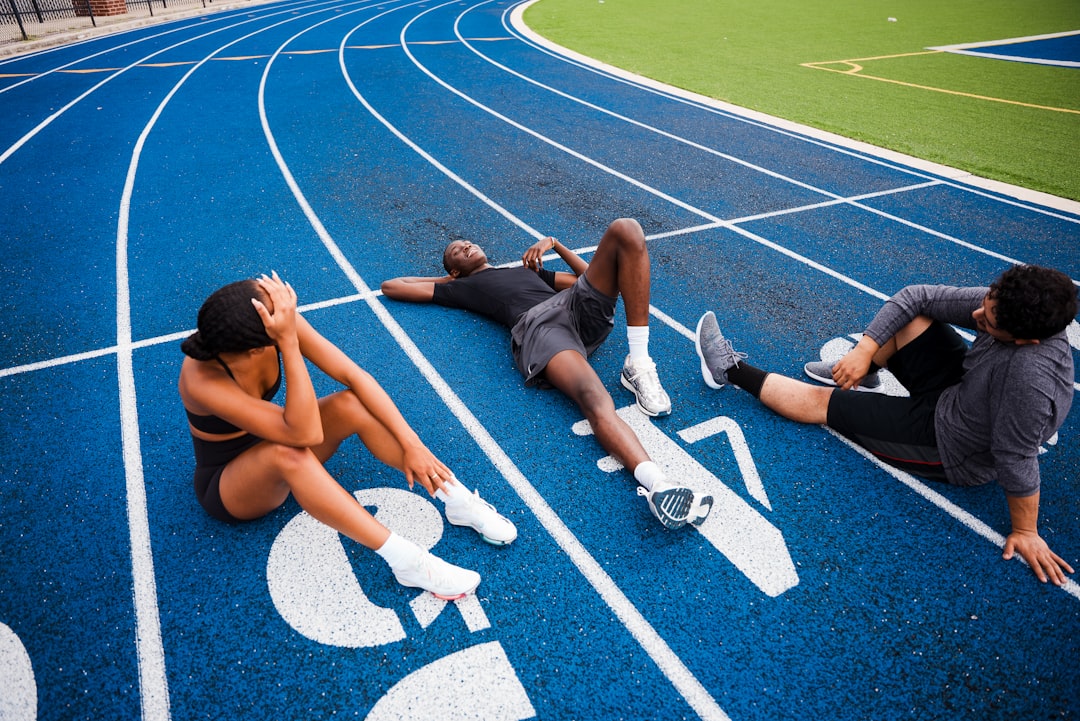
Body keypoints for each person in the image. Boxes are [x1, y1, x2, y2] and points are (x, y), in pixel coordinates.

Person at [694, 264, 1077, 585]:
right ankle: (862, 370)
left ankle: (728, 370)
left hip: (952, 445)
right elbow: (916, 296)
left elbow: (1015, 455)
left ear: (1026, 341)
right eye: (984, 306)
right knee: (914, 318)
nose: (978, 316)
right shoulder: (1009, 305)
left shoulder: (1030, 381)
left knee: (823, 403)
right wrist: (863, 351)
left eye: (988, 322)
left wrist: (1026, 531)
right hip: (963, 392)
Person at [178, 272, 517, 601]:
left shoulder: (271, 324)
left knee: (350, 404)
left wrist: (413, 445)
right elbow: (304, 433)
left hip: (278, 437)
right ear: (257, 347)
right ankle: (408, 562)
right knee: (287, 454)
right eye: (279, 312)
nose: (286, 310)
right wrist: (289, 342)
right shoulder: (202, 380)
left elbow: (355, 376)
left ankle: (453, 497)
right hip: (230, 484)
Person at [380, 218, 712, 530]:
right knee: (595, 399)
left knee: (625, 230)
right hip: (542, 327)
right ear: (455, 269)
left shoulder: (526, 271)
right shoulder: (461, 287)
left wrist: (555, 244)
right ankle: (658, 485)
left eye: (466, 241)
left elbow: (594, 278)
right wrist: (451, 280)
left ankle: (638, 361)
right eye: (457, 251)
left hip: (575, 308)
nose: (466, 245)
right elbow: (393, 286)